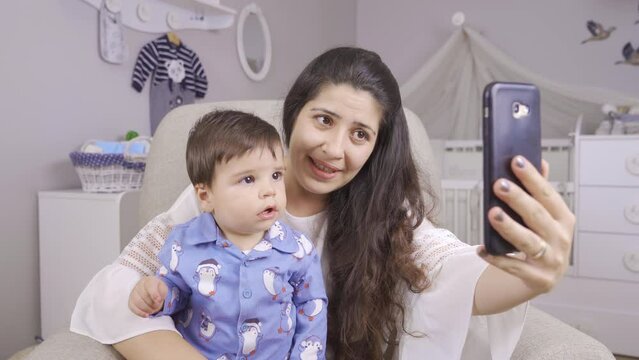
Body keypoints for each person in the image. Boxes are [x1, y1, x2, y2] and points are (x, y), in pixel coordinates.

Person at [71, 47, 574, 360]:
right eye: (324, 120)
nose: (335, 150)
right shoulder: (228, 194)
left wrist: (536, 269)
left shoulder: (385, 214)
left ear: (377, 146)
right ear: (294, 115)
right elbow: (126, 284)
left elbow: (453, 274)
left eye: (360, 133)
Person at [126, 110, 327, 359]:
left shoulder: (298, 250)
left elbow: (312, 309)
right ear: (205, 196)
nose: (269, 190)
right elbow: (176, 291)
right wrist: (157, 294)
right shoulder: (185, 243)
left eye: (276, 175)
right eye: (248, 179)